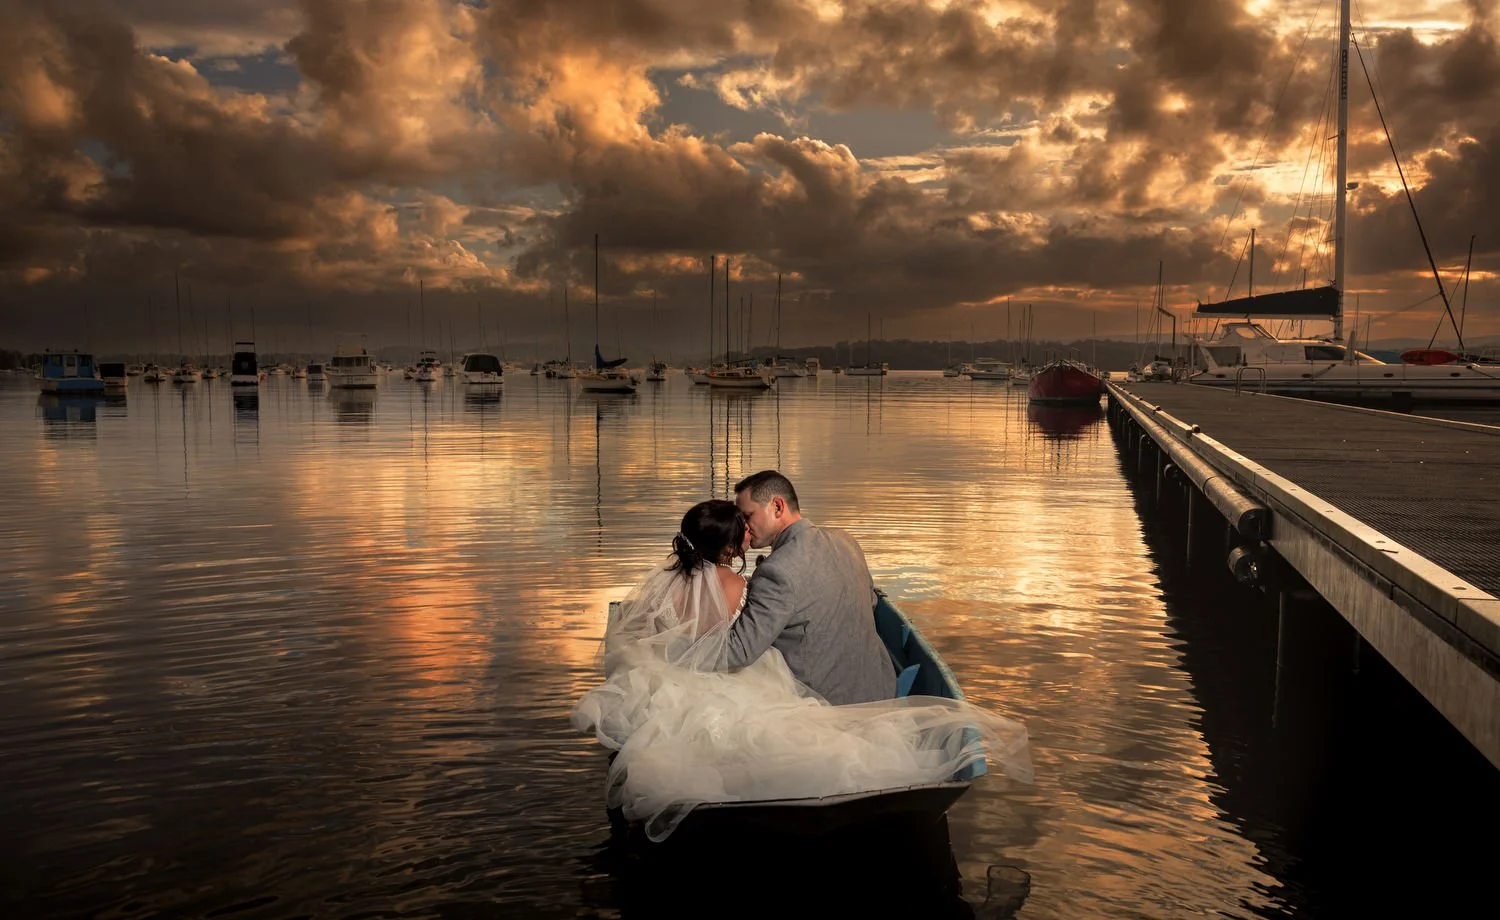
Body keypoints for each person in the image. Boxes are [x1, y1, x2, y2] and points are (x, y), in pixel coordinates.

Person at [571, 498, 1033, 842]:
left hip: (668, 675)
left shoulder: (661, 584)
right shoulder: (735, 582)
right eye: (742, 531)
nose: (748, 537)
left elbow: (646, 630)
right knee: (784, 717)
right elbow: (738, 646)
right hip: (723, 671)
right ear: (730, 544)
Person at [722, 470, 895, 705]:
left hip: (825, 703)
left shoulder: (777, 570)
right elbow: (871, 603)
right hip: (881, 687)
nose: (743, 526)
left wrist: (675, 647)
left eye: (747, 516)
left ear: (778, 507)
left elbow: (739, 652)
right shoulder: (847, 542)